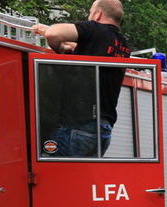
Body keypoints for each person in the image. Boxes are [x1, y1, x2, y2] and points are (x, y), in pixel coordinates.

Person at [32, 0, 131, 157]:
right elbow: (91, 51)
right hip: (102, 130)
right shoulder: (122, 43)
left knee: (51, 174)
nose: (89, 16)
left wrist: (59, 47)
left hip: (78, 126)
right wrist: (71, 47)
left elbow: (54, 34)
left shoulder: (95, 29)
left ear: (98, 14)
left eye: (91, 12)